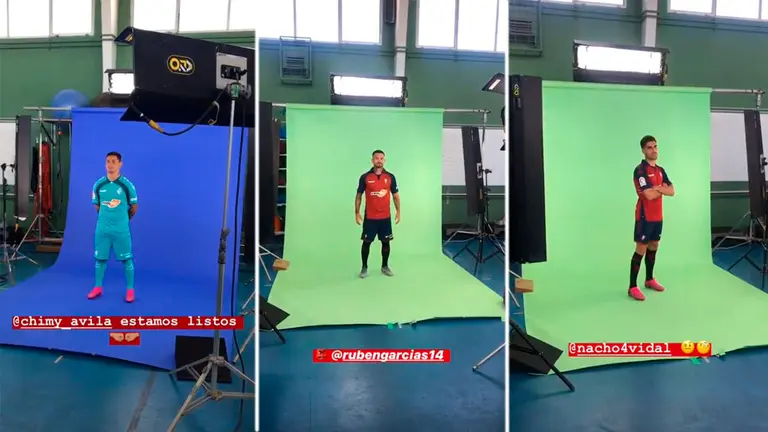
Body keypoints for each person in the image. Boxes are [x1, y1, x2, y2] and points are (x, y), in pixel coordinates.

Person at [87, 152, 139, 302]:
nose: (110, 164)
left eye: (113, 162)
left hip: (121, 230)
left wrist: (123, 219)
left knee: (127, 260)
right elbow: (97, 206)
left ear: (120, 164)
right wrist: (107, 218)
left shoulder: (126, 185)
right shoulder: (99, 184)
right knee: (100, 259)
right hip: (102, 230)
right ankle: (97, 287)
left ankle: (130, 290)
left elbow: (134, 207)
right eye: (108, 161)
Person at [628, 135, 675, 301]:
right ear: (643, 150)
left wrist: (659, 188)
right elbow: (647, 195)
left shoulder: (661, 170)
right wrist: (661, 189)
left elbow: (672, 191)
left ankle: (649, 279)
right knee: (641, 249)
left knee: (654, 246)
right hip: (644, 217)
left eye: (655, 146)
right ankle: (632, 287)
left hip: (657, 217)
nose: (654, 150)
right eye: (649, 147)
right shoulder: (640, 171)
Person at [355, 150, 400, 278]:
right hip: (370, 218)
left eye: (381, 158)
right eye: (376, 158)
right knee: (366, 243)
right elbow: (359, 196)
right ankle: (364, 268)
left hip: (385, 218)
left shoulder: (390, 177)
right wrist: (357, 213)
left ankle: (385, 266)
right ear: (372, 160)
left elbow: (395, 196)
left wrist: (398, 212)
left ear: (384, 161)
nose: (379, 160)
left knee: (386, 243)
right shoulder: (365, 177)